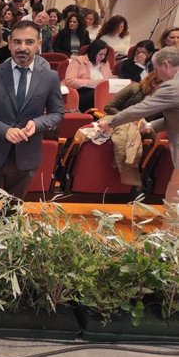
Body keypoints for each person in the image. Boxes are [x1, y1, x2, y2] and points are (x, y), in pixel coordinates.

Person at [0, 21, 64, 207]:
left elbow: (57, 113)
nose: (23, 47)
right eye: (17, 42)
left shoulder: (50, 77)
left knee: (11, 214)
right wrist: (5, 130)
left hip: (26, 156)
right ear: (10, 43)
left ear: (39, 43)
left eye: (29, 42)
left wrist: (37, 124)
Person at [100, 47, 179, 223]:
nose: (157, 75)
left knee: (175, 199)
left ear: (165, 65)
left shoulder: (173, 86)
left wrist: (111, 122)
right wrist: (150, 125)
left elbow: (139, 110)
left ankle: (170, 242)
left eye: (157, 71)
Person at [63, 40, 114, 112]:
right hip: (82, 93)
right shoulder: (78, 61)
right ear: (93, 52)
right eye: (100, 54)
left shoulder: (104, 63)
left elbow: (109, 81)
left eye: (105, 55)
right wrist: (92, 83)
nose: (103, 57)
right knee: (96, 95)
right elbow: (69, 81)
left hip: (103, 94)